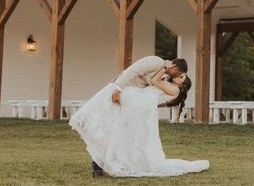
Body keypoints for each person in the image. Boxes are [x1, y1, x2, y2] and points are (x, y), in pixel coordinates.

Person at [69, 58, 208, 178]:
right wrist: (118, 88)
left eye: (182, 76)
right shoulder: (156, 62)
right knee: (101, 123)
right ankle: (99, 162)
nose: (179, 76)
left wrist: (164, 68)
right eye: (180, 74)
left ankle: (101, 163)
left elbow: (153, 83)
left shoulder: (173, 88)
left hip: (134, 105)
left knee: (116, 131)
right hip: (125, 95)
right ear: (175, 68)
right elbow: (132, 71)